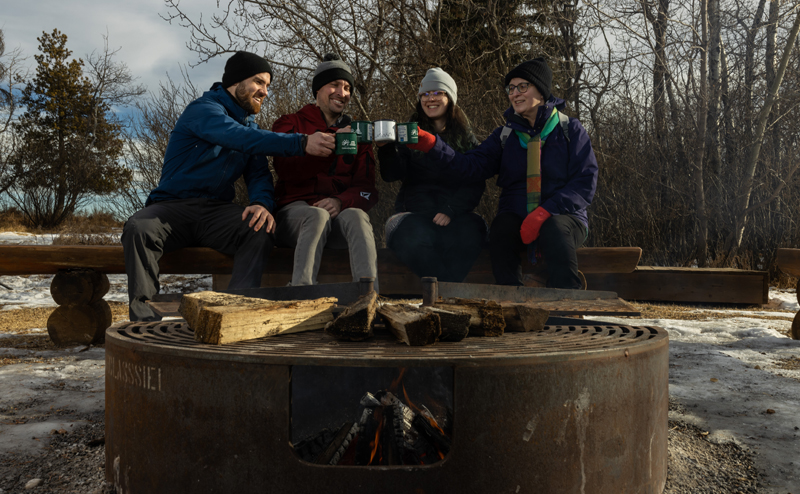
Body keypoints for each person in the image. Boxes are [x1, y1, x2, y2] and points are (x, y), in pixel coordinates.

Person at [122, 51, 336, 321]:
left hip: (216, 213)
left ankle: (233, 313)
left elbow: (259, 175)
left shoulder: (251, 127)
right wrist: (301, 142)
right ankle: (144, 322)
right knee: (138, 227)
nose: (265, 92)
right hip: (172, 208)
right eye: (259, 82)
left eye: (268, 86)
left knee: (259, 227)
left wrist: (261, 204)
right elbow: (237, 137)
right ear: (236, 82)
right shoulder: (203, 110)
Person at [405, 58, 598, 289]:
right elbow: (469, 167)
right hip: (516, 213)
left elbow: (585, 182)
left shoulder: (570, 130)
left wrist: (545, 211)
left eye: (522, 87)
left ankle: (567, 303)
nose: (514, 94)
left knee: (554, 230)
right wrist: (432, 145)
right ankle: (511, 302)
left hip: (565, 215)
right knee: (501, 230)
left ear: (542, 90)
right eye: (511, 88)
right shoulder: (504, 136)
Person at [271, 54, 379, 287]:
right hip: (294, 218)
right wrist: (331, 145)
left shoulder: (357, 134)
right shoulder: (289, 123)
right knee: (316, 214)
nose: (343, 93)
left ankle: (368, 295)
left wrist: (340, 201)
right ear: (318, 89)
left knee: (358, 216)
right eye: (335, 85)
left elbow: (367, 188)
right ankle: (301, 293)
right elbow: (285, 170)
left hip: (338, 218)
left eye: (348, 87)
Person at [378, 68, 486, 282]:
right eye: (425, 94)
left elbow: (475, 181)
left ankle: (443, 293)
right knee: (413, 238)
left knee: (472, 231)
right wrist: (386, 148)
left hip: (455, 214)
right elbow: (392, 174)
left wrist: (450, 209)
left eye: (438, 92)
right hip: (415, 214)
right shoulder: (410, 133)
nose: (430, 98)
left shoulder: (466, 139)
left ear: (450, 98)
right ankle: (447, 292)